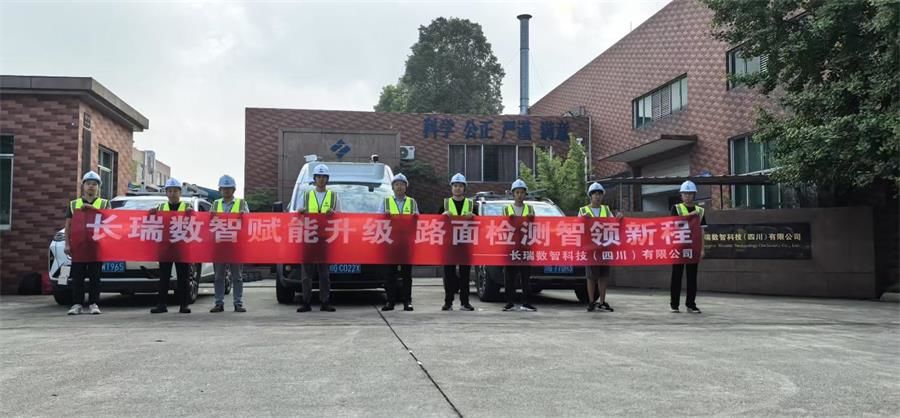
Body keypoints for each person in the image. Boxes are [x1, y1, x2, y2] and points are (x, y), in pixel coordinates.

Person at [64, 171, 110, 315]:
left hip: (96, 246)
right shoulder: (74, 204)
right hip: (79, 246)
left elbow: (110, 221)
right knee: (77, 276)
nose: (91, 186)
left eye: (94, 184)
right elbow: (68, 226)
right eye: (88, 184)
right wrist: (67, 244)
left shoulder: (105, 203)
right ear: (83, 186)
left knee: (95, 277)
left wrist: (93, 209)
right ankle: (77, 304)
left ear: (98, 187)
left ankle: (93, 303)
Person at [295, 164, 339, 312]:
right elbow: (296, 216)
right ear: (314, 179)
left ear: (327, 179)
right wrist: (300, 212)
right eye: (318, 177)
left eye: (324, 177)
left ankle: (325, 302)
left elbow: (341, 217)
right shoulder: (306, 195)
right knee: (306, 274)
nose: (321, 179)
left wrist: (334, 213)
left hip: (325, 240)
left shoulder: (333, 196)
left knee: (324, 274)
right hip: (308, 239)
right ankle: (306, 302)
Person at [150, 178, 194, 314]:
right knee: (164, 276)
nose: (172, 193)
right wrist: (150, 213)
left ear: (180, 192)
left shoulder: (187, 207)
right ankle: (161, 304)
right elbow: (152, 223)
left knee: (183, 277)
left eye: (175, 191)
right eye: (170, 191)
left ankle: (184, 305)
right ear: (166, 193)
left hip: (181, 247)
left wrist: (192, 214)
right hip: (165, 247)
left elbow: (195, 224)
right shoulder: (160, 207)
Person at [578, 182, 621, 312]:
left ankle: (602, 301)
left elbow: (614, 224)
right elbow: (577, 228)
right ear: (590, 196)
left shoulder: (606, 210)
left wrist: (619, 218)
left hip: (604, 247)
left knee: (603, 275)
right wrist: (583, 220)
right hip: (590, 248)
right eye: (595, 194)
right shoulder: (583, 210)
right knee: (591, 276)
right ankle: (591, 301)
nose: (597, 196)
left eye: (599, 194)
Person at [210, 174, 249, 313]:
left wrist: (244, 215)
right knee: (218, 277)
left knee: (237, 276)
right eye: (224, 188)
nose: (226, 190)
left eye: (229, 188)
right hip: (219, 245)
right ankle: (218, 303)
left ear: (234, 189)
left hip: (235, 245)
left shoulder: (242, 204)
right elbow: (208, 223)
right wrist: (211, 216)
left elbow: (249, 221)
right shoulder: (215, 204)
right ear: (220, 190)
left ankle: (238, 303)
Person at [379, 173, 418, 312]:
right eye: (396, 184)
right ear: (392, 187)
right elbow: (377, 220)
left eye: (402, 184)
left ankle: (407, 301)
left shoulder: (412, 202)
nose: (399, 187)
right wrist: (384, 216)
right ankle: (390, 301)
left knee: (407, 274)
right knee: (390, 274)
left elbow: (418, 222)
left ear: (406, 187)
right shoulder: (386, 202)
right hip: (390, 243)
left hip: (406, 243)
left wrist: (416, 217)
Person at [439, 173, 475, 311]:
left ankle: (465, 302)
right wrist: (443, 215)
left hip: (465, 244)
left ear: (464, 188)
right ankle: (448, 302)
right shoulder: (445, 203)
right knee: (449, 274)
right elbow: (435, 222)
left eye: (460, 186)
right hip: (449, 244)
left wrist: (474, 216)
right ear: (451, 188)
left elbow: (481, 223)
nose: (458, 188)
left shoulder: (470, 204)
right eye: (455, 186)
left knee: (465, 275)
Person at [670, 180, 707, 314]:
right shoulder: (676, 208)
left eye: (690, 193)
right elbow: (673, 225)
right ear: (681, 195)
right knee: (676, 276)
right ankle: (674, 305)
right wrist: (690, 216)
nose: (687, 196)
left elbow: (702, 231)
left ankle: (691, 304)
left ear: (694, 195)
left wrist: (702, 249)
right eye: (685, 193)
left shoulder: (700, 211)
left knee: (692, 277)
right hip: (678, 247)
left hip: (693, 247)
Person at [502, 179, 537, 312]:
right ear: (513, 194)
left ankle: (526, 302)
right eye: (517, 192)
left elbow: (535, 226)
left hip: (525, 246)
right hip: (511, 247)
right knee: (509, 277)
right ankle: (509, 302)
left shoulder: (530, 209)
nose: (519, 195)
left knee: (525, 276)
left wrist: (532, 218)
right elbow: (502, 225)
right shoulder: (507, 209)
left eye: (522, 192)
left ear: (525, 194)